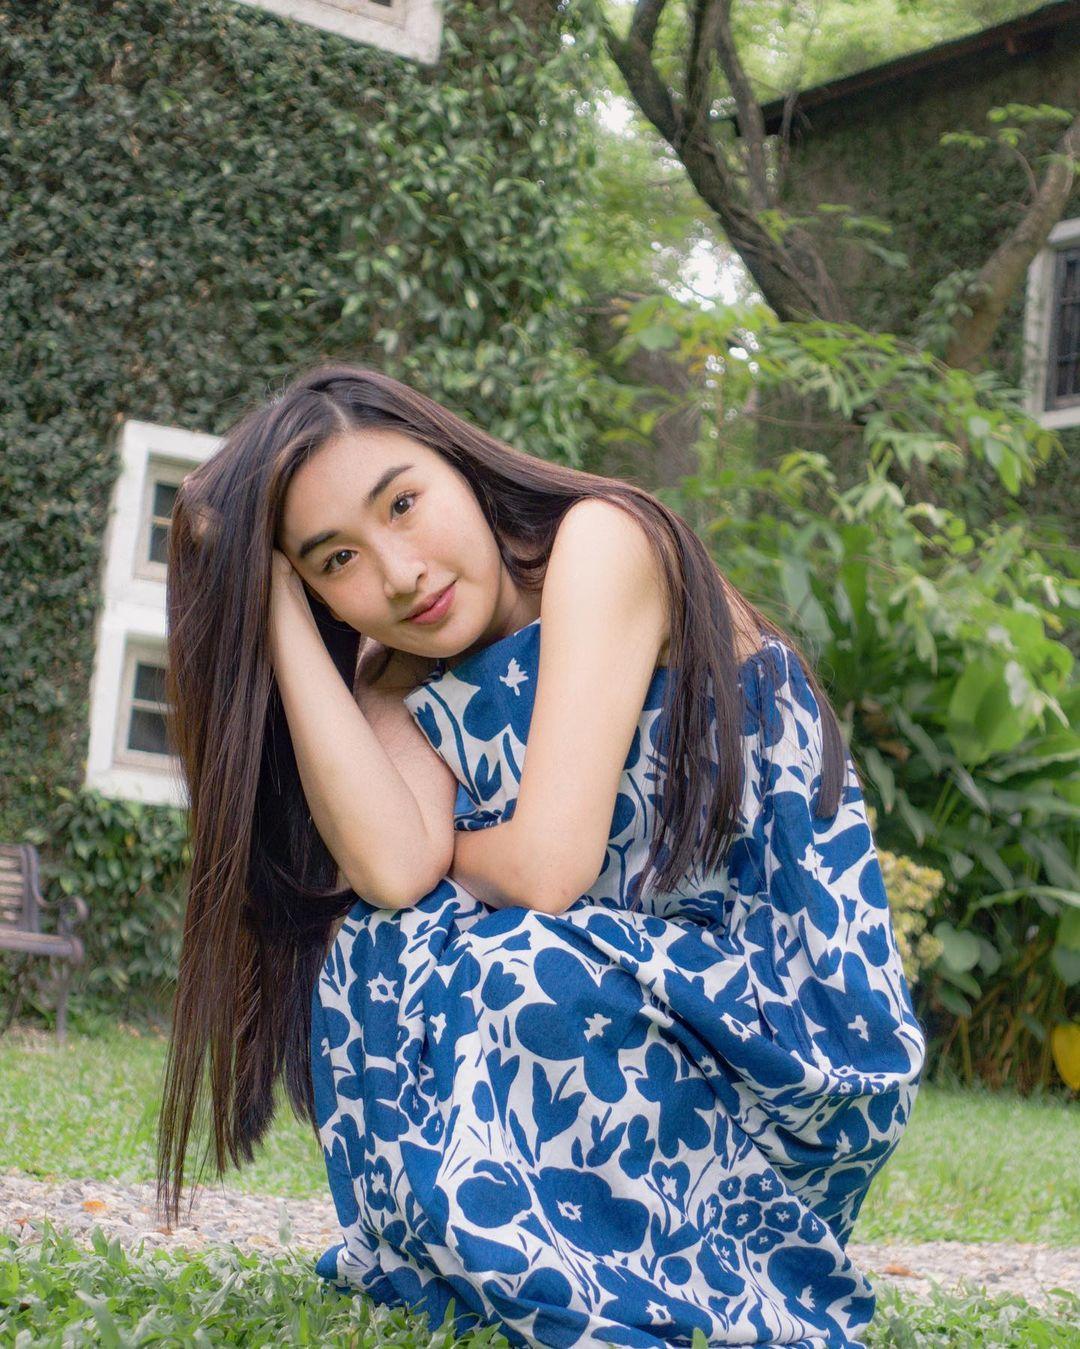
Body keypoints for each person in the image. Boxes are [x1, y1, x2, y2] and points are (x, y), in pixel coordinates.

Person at [158, 363, 926, 1348]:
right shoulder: (404, 672)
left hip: (789, 1023)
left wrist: (448, 854)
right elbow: (392, 870)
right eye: (336, 559)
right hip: (642, 1006)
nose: (399, 572)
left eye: (403, 504)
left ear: (458, 463)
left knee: (514, 962)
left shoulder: (603, 541)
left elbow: (548, 869)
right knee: (371, 954)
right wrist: (268, 599)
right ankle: (509, 1256)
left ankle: (637, 1274)